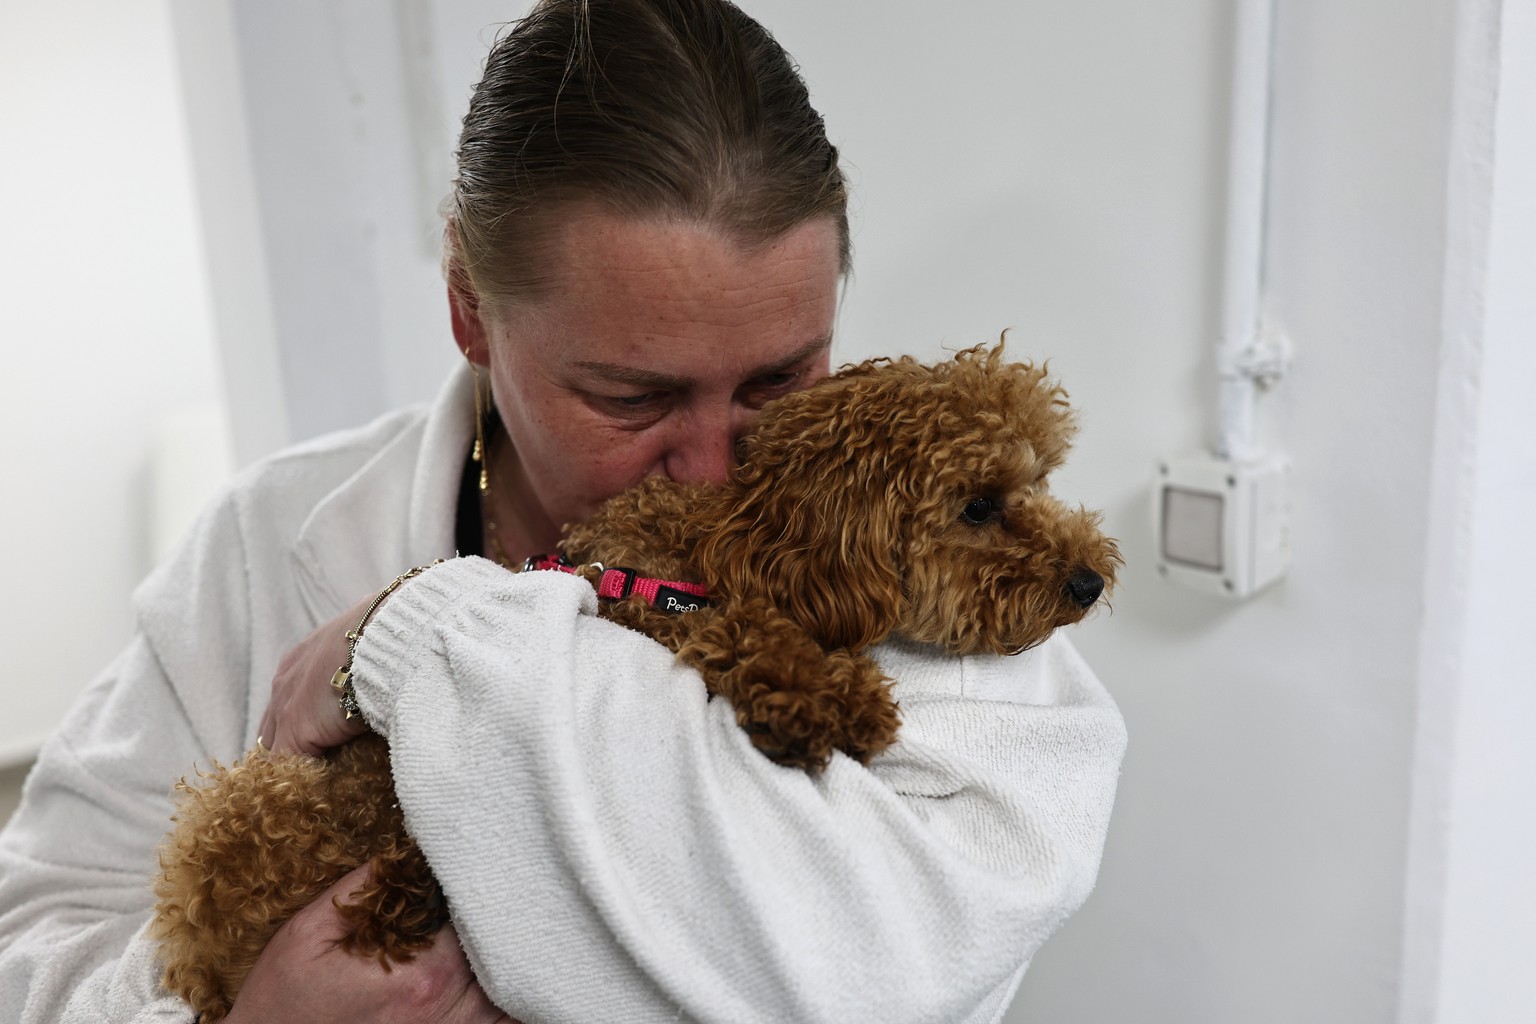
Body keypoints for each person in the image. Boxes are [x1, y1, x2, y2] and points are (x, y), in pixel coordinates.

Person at [0, 2, 1126, 1022]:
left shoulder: (975, 637)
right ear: (470, 315)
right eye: (633, 397)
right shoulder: (266, 535)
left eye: (780, 379)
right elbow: (36, 926)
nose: (712, 468)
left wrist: (412, 633)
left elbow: (858, 978)